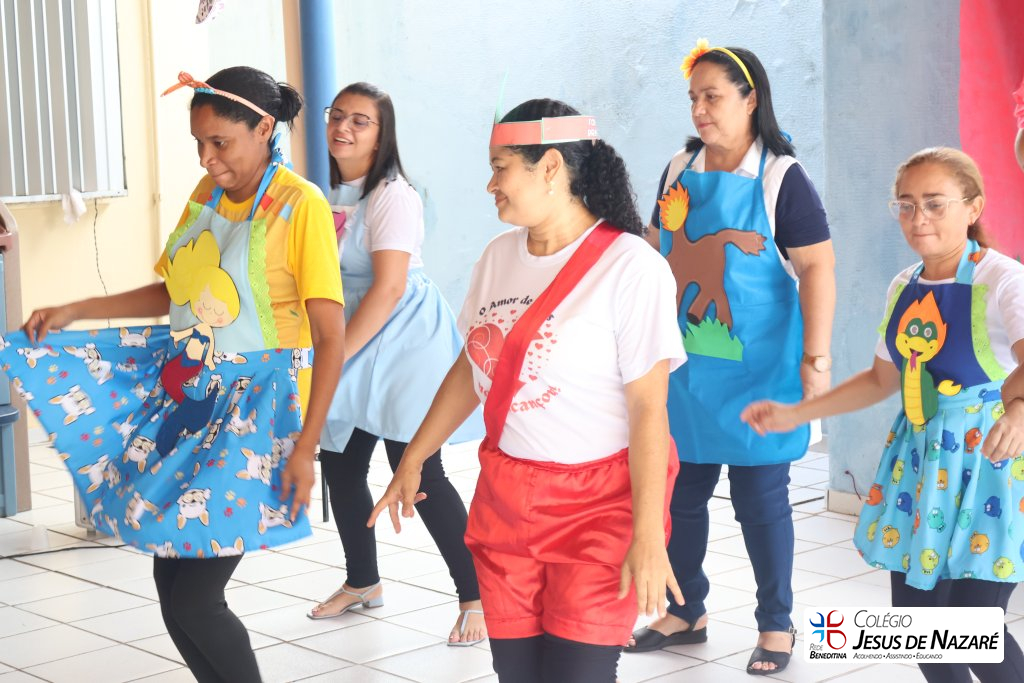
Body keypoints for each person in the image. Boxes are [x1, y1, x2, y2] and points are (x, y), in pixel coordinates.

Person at [3, 67, 345, 683]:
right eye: (199, 144)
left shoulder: (302, 206)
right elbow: (175, 289)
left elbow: (329, 335)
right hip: (193, 397)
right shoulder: (207, 194)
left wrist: (305, 446)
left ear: (263, 129)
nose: (208, 158)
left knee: (195, 596)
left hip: (256, 415)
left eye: (220, 142)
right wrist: (77, 309)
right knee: (172, 584)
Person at [368, 99, 685, 682]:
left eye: (500, 168)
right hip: (508, 499)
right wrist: (414, 456)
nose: (490, 185)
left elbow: (648, 408)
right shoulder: (497, 257)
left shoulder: (631, 266)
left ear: (551, 167)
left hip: (601, 506)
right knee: (516, 673)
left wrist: (647, 534)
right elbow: (473, 368)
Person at [743, 146, 1024, 683]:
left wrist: (1018, 413)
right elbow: (881, 379)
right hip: (923, 469)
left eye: (935, 203)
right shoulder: (904, 284)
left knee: (973, 628)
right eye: (906, 204)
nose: (919, 218)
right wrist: (798, 413)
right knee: (922, 629)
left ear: (973, 207)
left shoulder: (1003, 279)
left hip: (990, 469)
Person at [624, 39, 836, 676]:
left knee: (760, 498)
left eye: (712, 97)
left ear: (751, 100)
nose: (699, 110)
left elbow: (817, 268)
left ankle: (776, 622)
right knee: (680, 494)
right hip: (685, 369)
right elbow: (655, 250)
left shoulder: (781, 177)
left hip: (761, 369)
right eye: (694, 98)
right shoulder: (678, 167)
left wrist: (816, 360)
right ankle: (684, 610)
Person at [306, 81, 485, 645]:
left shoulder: (393, 196)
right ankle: (363, 582)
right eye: (337, 115)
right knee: (340, 463)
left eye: (360, 120)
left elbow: (387, 288)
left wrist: (333, 358)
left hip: (403, 338)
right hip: (354, 333)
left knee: (418, 469)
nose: (343, 127)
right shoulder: (328, 195)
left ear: (382, 134)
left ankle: (477, 595)